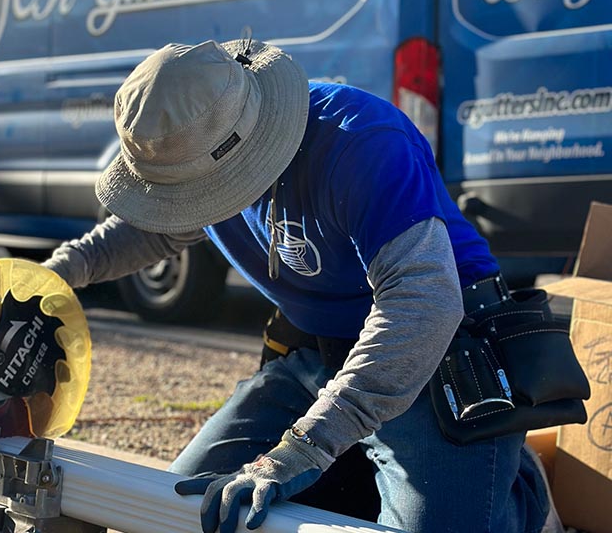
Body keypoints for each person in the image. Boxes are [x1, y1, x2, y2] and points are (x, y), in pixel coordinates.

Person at [42, 38, 560, 533]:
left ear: (242, 158)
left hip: (435, 352)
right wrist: (55, 277)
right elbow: (148, 228)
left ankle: (516, 486)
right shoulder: (201, 145)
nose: (185, 212)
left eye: (192, 196)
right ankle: (364, 465)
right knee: (189, 505)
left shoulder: (362, 141)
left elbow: (422, 304)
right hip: (321, 354)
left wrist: (306, 448)